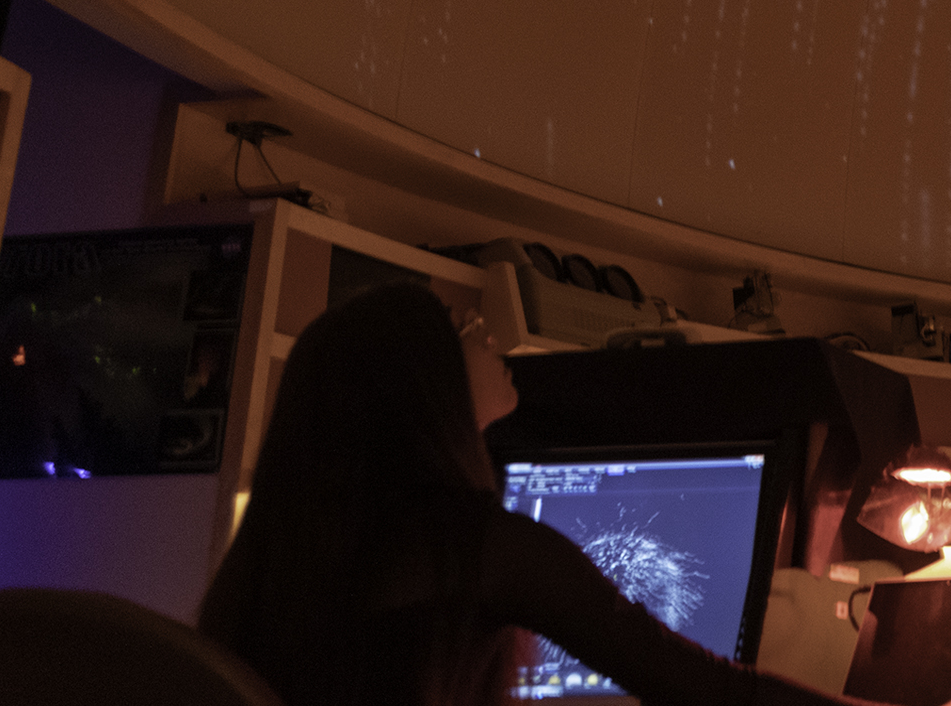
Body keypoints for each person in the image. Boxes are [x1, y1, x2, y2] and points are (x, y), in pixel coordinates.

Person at [198, 283, 896, 706]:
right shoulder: (474, 545)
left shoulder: (274, 557)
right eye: (462, 327)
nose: (489, 332)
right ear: (414, 387)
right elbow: (708, 690)